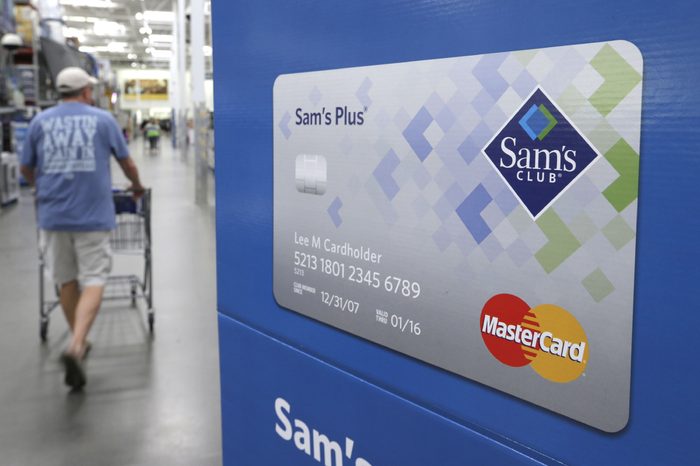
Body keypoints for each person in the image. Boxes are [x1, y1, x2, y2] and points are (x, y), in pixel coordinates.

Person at [19, 67, 145, 390]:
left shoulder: (38, 123)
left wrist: (41, 188)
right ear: (86, 92)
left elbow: (26, 167)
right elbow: (126, 162)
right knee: (94, 278)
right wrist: (136, 186)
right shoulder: (103, 121)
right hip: (92, 216)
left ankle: (78, 340)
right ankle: (76, 344)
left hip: (52, 216)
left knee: (66, 281)